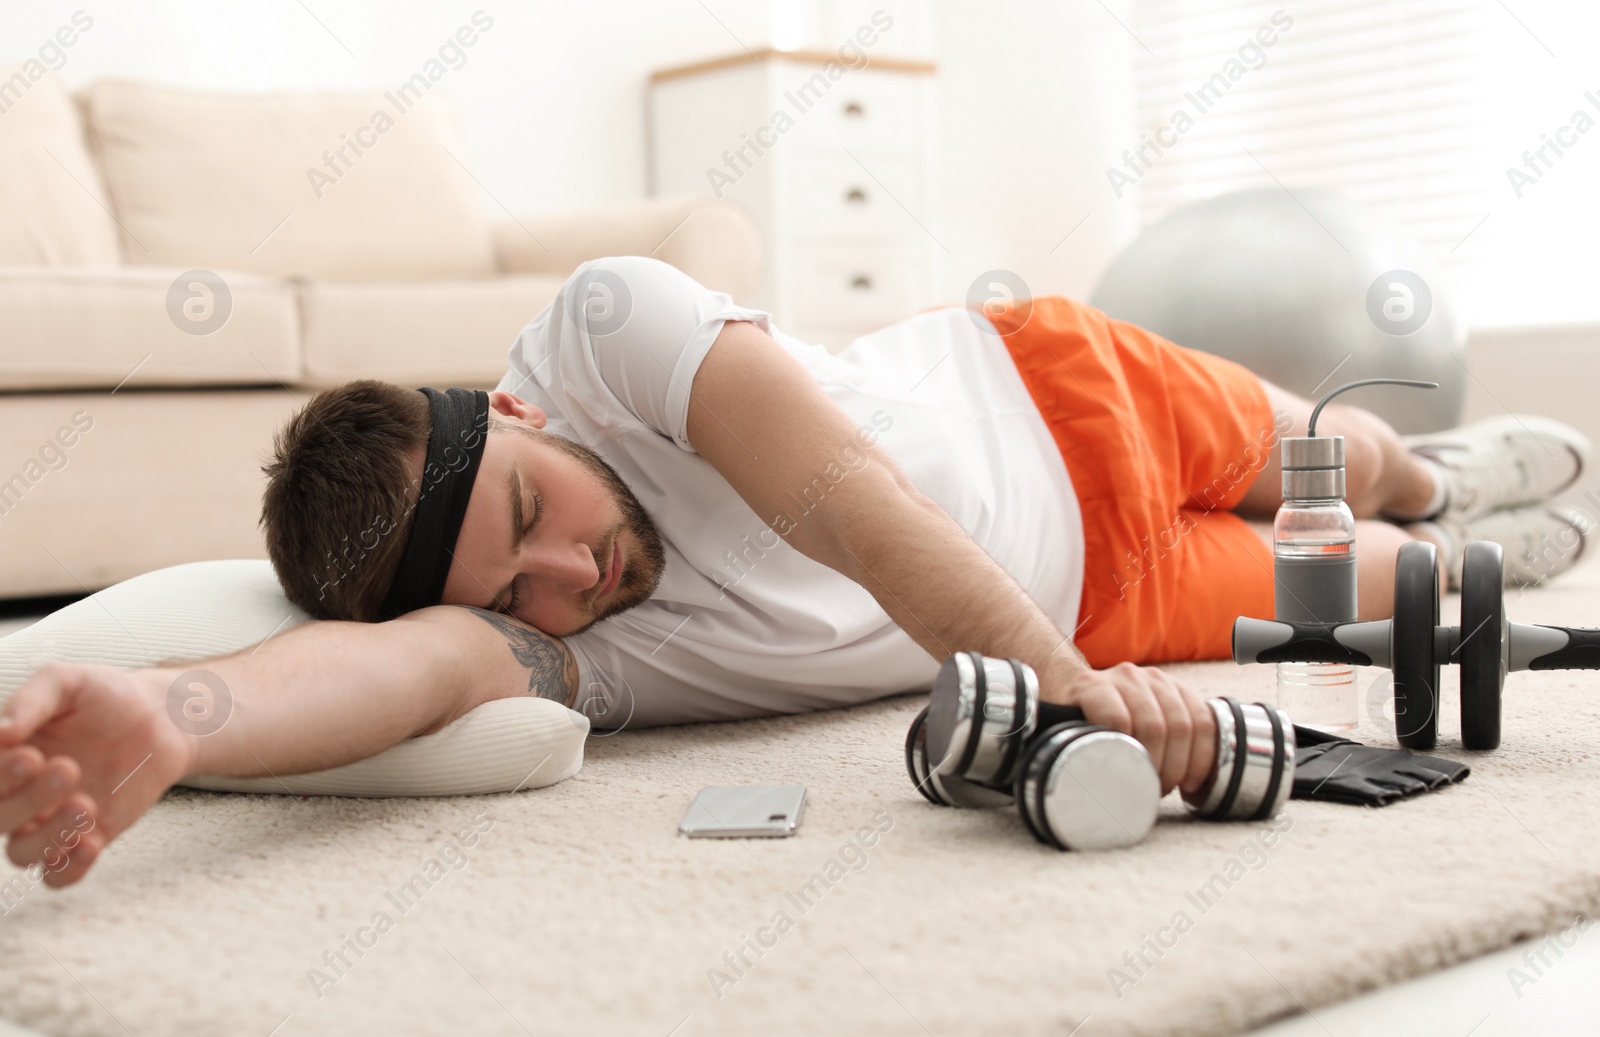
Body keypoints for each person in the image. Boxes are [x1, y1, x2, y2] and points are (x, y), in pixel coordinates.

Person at [0, 256, 1589, 887]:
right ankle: (1459, 547)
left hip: (1056, 394)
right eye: (515, 594)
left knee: (1351, 464)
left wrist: (1068, 697)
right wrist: (179, 707)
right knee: (1385, 584)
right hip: (1098, 601)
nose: (574, 569)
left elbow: (851, 504)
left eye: (541, 504)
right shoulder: (570, 651)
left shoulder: (605, 335)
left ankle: (1446, 472)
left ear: (516, 414)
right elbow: (411, 675)